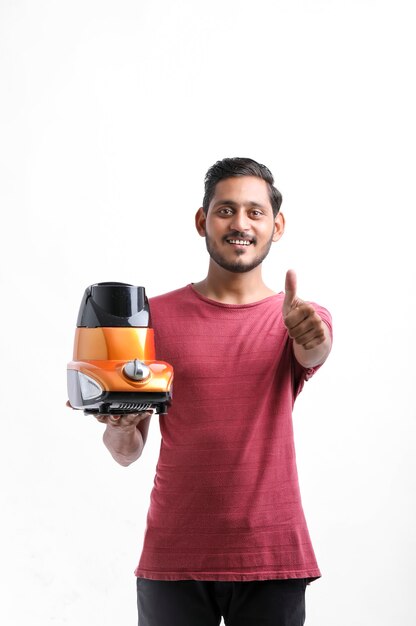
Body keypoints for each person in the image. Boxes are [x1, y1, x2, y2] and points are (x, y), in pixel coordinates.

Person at [97, 157, 333, 626]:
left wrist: (311, 336)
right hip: (174, 556)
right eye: (226, 210)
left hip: (272, 555)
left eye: (255, 212)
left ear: (277, 225)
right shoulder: (152, 318)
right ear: (203, 221)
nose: (240, 224)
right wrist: (120, 423)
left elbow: (314, 349)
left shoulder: (300, 318)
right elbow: (127, 452)